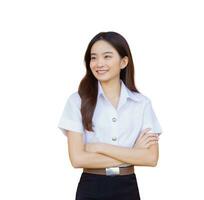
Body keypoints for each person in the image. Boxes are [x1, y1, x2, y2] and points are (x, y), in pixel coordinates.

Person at [57, 31, 162, 200]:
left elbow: (151, 158)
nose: (99, 63)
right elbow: (77, 159)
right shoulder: (76, 101)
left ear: (123, 62)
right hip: (91, 187)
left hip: (127, 187)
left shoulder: (142, 103)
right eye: (93, 57)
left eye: (107, 56)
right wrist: (132, 153)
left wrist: (99, 147)